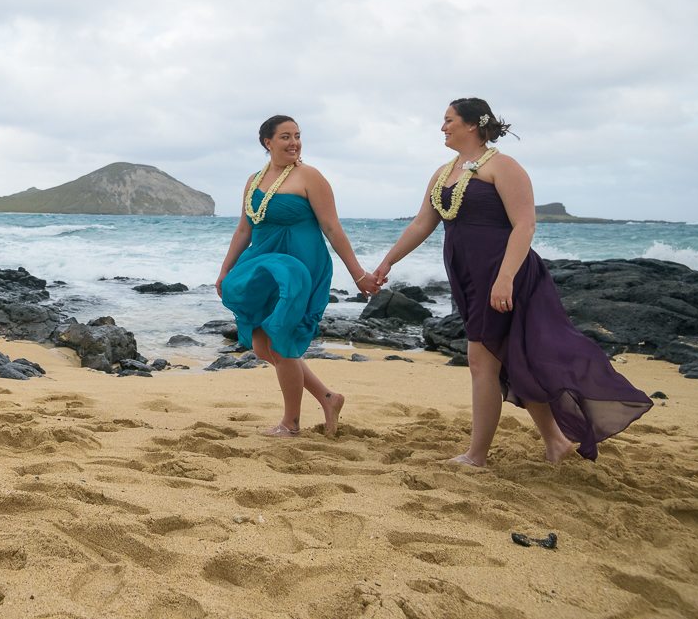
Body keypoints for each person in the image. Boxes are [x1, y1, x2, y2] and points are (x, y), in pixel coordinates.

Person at [371, 98, 651, 465]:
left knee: (481, 362)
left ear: (472, 124)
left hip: (502, 273)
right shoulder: (444, 172)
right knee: (511, 357)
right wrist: (387, 262)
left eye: (448, 120)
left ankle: (477, 456)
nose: (442, 127)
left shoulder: (503, 166)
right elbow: (423, 223)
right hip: (468, 276)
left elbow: (525, 224)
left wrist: (505, 279)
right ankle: (556, 442)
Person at [216, 115, 381, 438]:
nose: (294, 143)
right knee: (264, 345)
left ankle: (290, 423)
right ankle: (328, 398)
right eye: (285, 137)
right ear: (268, 142)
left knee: (282, 341)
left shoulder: (309, 176)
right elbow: (244, 228)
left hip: (300, 266)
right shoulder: (255, 179)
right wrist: (225, 269)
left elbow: (332, 228)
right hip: (265, 265)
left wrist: (358, 274)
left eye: (297, 136)